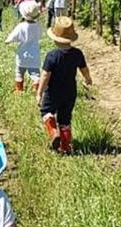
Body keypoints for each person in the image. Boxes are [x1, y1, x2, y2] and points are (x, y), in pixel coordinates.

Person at [37, 16, 92, 154]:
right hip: (70, 92)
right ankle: (66, 146)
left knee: (46, 111)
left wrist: (39, 92)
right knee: (65, 118)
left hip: (53, 92)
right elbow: (84, 69)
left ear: (55, 38)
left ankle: (53, 131)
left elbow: (45, 75)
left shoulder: (52, 56)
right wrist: (87, 79)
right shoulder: (77, 54)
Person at [5, 0, 42, 93]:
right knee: (35, 73)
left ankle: (19, 90)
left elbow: (12, 36)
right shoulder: (38, 26)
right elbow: (40, 35)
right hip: (34, 54)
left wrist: (8, 41)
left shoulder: (21, 26)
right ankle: (36, 88)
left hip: (22, 54)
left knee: (19, 73)